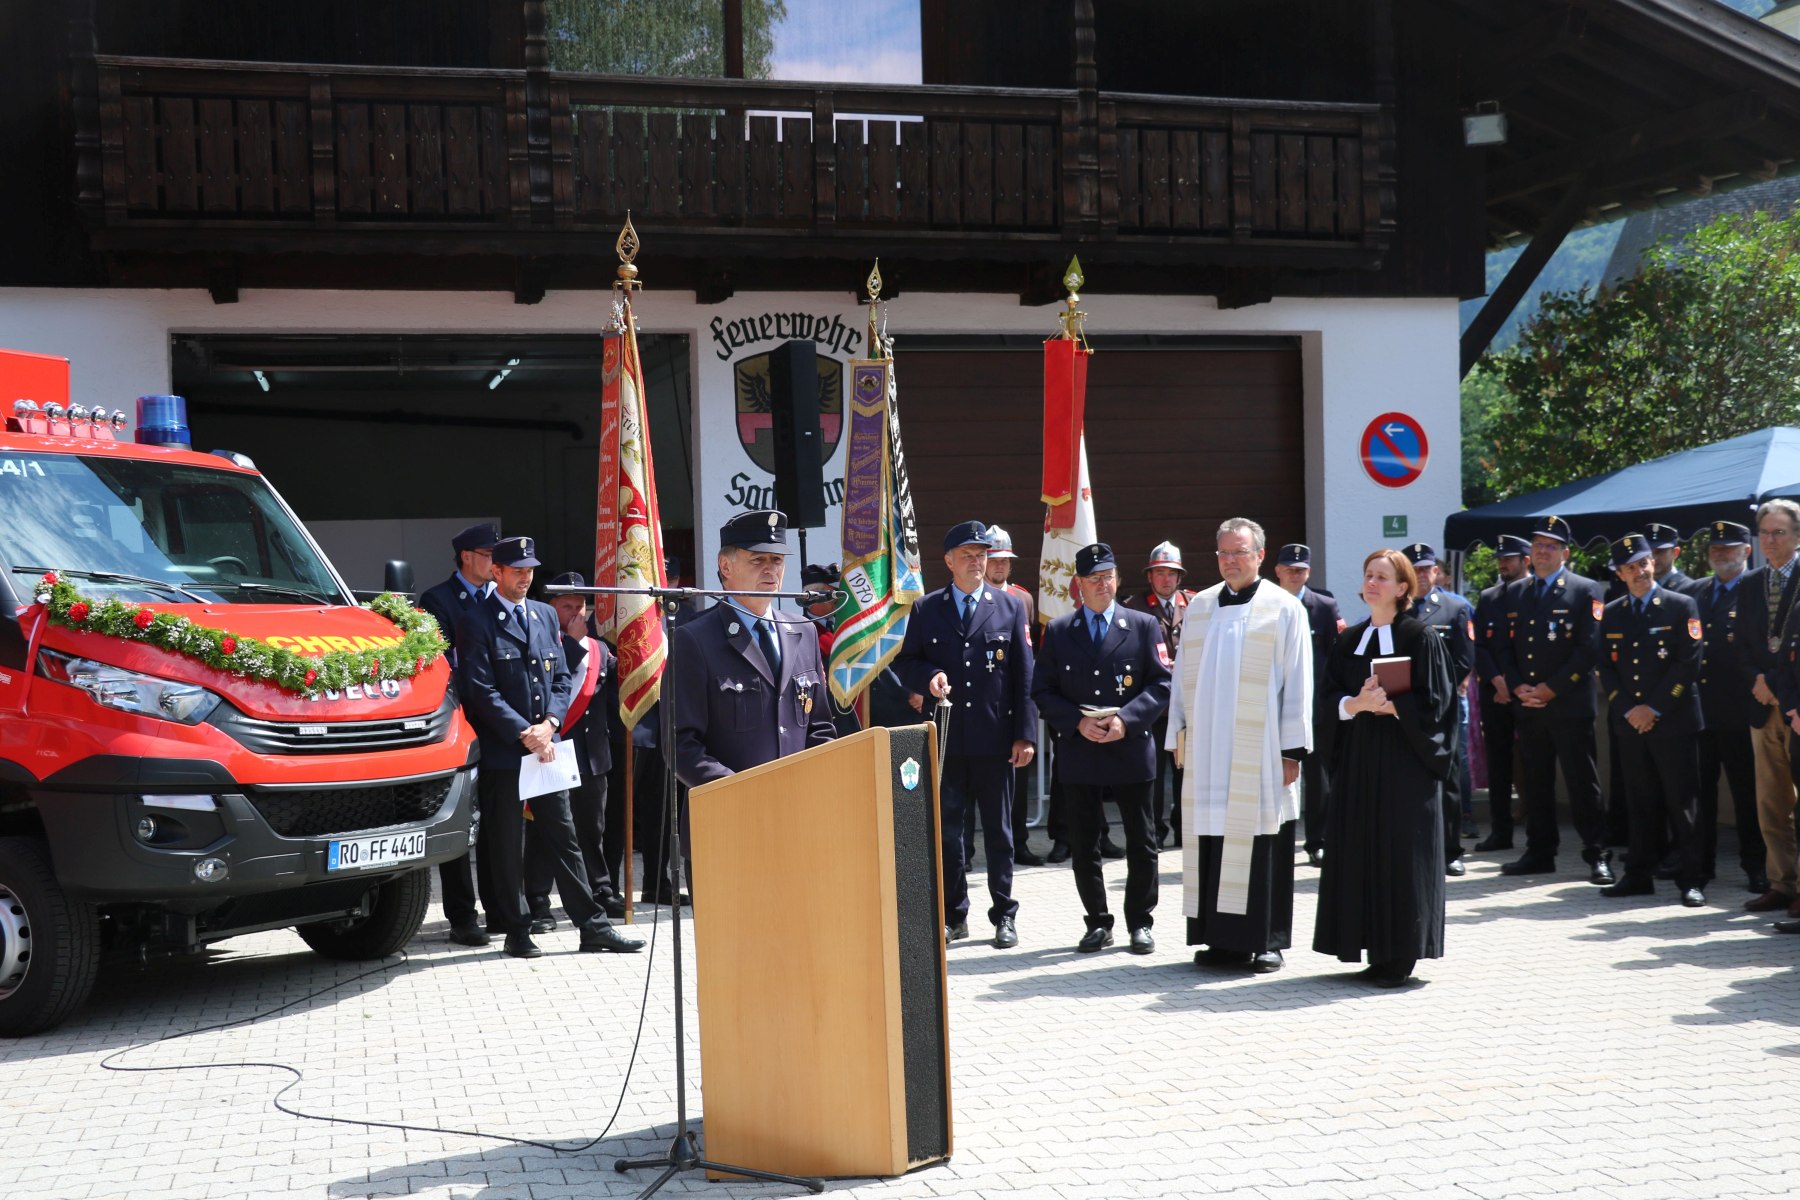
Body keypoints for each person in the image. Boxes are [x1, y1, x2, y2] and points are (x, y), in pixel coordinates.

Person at [455, 536, 644, 959]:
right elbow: (480, 689)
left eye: (529, 570)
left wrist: (551, 724)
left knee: (565, 837)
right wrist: (526, 732)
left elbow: (559, 678)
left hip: (546, 747)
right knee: (507, 844)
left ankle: (592, 927)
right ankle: (516, 929)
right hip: (507, 751)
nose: (525, 578)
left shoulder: (542, 614)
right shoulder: (476, 621)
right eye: (516, 570)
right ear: (496, 572)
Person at [1165, 517, 1311, 975]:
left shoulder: (1283, 607)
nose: (1230, 560)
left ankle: (1267, 941)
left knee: (1263, 839)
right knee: (1213, 838)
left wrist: (1292, 750)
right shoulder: (1201, 606)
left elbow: (1298, 680)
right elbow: (1181, 679)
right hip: (1208, 750)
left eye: (1240, 552)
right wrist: (1177, 735)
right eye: (1224, 553)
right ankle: (1223, 940)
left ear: (1260, 555)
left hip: (1262, 751)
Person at [1314, 548, 1454, 987]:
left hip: (1405, 766)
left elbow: (1438, 705)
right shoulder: (1348, 640)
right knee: (1361, 849)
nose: (1372, 583)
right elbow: (1326, 700)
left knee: (1399, 853)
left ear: (1402, 588)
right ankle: (1369, 946)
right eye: (1368, 575)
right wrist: (1355, 704)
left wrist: (1395, 706)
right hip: (1359, 762)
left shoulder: (1420, 637)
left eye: (1382, 577)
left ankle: (1400, 955)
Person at [894, 520, 1037, 950]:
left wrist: (1025, 735)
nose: (977, 562)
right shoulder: (927, 608)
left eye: (982, 555)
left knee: (999, 832)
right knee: (949, 833)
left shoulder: (1010, 606)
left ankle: (1004, 914)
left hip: (995, 740)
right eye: (967, 555)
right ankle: (954, 916)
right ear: (949, 561)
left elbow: (1024, 676)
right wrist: (930, 677)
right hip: (948, 741)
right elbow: (907, 662)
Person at [1031, 542, 1171, 953]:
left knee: (1142, 840)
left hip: (1130, 748)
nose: (1102, 584)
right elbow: (1043, 690)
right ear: (1078, 584)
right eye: (1093, 579)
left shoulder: (1143, 625)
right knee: (1084, 842)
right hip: (1081, 749)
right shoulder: (1060, 631)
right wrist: (1077, 722)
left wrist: (1126, 721)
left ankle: (1140, 922)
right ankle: (1097, 922)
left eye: (1108, 577)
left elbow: (1161, 684)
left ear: (1118, 579)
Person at [670, 509, 837, 789]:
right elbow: (680, 745)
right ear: (725, 567)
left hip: (799, 804)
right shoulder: (695, 639)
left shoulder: (803, 632)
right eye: (758, 559)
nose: (770, 569)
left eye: (777, 560)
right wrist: (743, 792)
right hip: (730, 807)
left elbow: (820, 728)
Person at [1495, 515, 1613, 884]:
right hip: (1529, 705)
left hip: (1568, 704)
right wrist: (1518, 687)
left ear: (1565, 553)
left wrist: (1552, 688)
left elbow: (1589, 648)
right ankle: (1540, 852)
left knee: (1582, 782)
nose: (1542, 551)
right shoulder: (1516, 592)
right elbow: (1505, 648)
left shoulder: (1585, 590)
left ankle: (1597, 854)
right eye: (1537, 545)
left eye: (1550, 546)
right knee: (1536, 782)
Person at [1595, 533, 1706, 907]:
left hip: (1673, 720)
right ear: (1620, 574)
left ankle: (1692, 879)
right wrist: (1629, 710)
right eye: (1630, 567)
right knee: (1639, 801)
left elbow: (1688, 663)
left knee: (1682, 803)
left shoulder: (1681, 605)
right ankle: (1638, 874)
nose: (1639, 572)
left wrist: (1652, 708)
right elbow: (1606, 668)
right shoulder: (1612, 613)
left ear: (1653, 563)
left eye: (1643, 563)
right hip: (1631, 724)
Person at [524, 572, 625, 929]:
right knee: (545, 831)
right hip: (553, 750)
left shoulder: (600, 649)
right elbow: (551, 685)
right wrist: (573, 643)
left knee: (591, 829)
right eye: (567, 606)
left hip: (591, 754)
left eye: (581, 606)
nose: (576, 613)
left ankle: (600, 889)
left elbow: (615, 696)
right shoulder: (540, 644)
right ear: (550, 609)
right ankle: (538, 899)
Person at [416, 521, 500, 947]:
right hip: (462, 721)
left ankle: (500, 909)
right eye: (488, 556)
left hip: (500, 723)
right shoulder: (438, 600)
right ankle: (463, 916)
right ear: (467, 557)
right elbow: (445, 662)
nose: (496, 564)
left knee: (498, 822)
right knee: (459, 821)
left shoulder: (500, 597)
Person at [1691, 521, 1768, 895]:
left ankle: (1756, 867)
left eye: (1729, 548)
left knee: (1747, 796)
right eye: (1715, 548)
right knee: (1699, 796)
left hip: (1741, 713)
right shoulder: (1696, 592)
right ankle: (1700, 867)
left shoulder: (1757, 591)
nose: (1720, 554)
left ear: (1747, 551)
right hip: (1700, 714)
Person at [1404, 543, 1476, 876]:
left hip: (1442, 709)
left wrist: (1436, 695)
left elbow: (1464, 659)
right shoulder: (1395, 607)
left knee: (1448, 777)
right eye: (1415, 568)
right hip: (1404, 709)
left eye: (1426, 568)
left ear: (1436, 571)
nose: (1421, 574)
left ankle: (1450, 851)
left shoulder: (1454, 608)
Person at [1744, 499, 1800, 916]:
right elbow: (1740, 643)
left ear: (1797, 536)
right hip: (1762, 706)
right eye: (1764, 533)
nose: (1770, 540)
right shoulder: (1750, 583)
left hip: (1795, 705)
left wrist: (1781, 688)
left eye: (1779, 532)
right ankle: (1782, 884)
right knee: (1771, 803)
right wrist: (1759, 682)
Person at [1123, 540, 1197, 849]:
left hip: (1187, 706)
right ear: (1150, 576)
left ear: (1180, 577)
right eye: (1160, 573)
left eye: (1171, 573)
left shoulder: (1196, 603)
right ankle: (1153, 834)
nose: (1166, 579)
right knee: (1151, 773)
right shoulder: (1134, 607)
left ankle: (1185, 830)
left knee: (1186, 772)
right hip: (1152, 707)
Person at [1274, 543, 1342, 867]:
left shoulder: (1325, 606)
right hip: (1274, 706)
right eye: (1289, 569)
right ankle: (1275, 839)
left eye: (1300, 570)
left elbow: (1336, 657)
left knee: (1318, 779)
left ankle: (1318, 841)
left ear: (1309, 573)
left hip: (1315, 709)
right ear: (1277, 571)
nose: (1294, 574)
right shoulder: (1266, 604)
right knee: (1276, 775)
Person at [984, 524, 1047, 867]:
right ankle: (969, 851)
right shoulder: (973, 597)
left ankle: (1019, 842)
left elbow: (1028, 651)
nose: (999, 566)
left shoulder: (1023, 598)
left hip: (1015, 700)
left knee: (1018, 777)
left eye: (1005, 560)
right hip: (984, 700)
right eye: (994, 559)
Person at [1472, 534, 1531, 853]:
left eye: (1509, 559)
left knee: (1535, 761)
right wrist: (1497, 681)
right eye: (1500, 559)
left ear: (1525, 561)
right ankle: (1500, 831)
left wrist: (1514, 683)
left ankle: (1538, 833)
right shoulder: (1489, 597)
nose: (1503, 564)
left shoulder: (1535, 594)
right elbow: (1479, 645)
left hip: (1528, 693)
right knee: (1498, 764)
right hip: (1495, 694)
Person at [801, 562, 864, 739]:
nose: (839, 598)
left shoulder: (847, 627)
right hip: (829, 722)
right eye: (833, 593)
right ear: (814, 597)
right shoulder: (802, 631)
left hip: (857, 716)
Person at [1647, 523, 1698, 595]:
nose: (1654, 557)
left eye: (1660, 551)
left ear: (1675, 552)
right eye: (1649, 552)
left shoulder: (1690, 588)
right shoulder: (1640, 588)